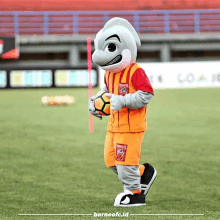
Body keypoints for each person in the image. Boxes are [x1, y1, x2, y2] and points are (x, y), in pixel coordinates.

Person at [89, 17, 157, 207]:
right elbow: (107, 94)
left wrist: (123, 101)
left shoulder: (135, 71)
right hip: (114, 126)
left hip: (131, 127)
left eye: (109, 48)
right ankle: (144, 173)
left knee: (125, 162)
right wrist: (96, 103)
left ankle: (135, 194)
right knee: (111, 160)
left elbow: (147, 94)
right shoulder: (109, 72)